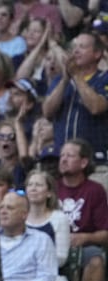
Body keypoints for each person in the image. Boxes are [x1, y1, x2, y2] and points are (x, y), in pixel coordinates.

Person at [42, 32, 108, 190]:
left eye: (82, 47)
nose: (76, 51)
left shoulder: (105, 78)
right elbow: (47, 111)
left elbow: (96, 107)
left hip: (95, 165)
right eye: (74, 47)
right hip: (61, 165)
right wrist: (66, 79)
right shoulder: (60, 80)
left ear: (97, 54)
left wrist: (77, 76)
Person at [57, 139, 108, 281]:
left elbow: (105, 234)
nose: (63, 159)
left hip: (83, 246)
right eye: (62, 155)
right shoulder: (51, 187)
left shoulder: (95, 190)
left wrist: (84, 238)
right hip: (51, 245)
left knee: (95, 259)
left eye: (70, 156)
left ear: (84, 162)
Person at [25, 169, 70, 267]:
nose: (33, 188)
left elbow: (61, 258)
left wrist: (29, 263)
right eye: (30, 184)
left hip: (49, 275)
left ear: (49, 193)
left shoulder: (59, 218)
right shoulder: (20, 217)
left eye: (39, 185)